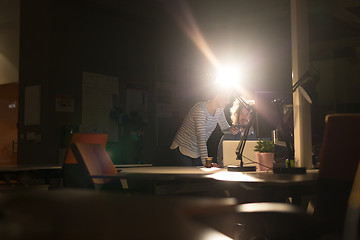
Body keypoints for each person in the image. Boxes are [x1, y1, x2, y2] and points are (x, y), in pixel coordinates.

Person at [170, 88, 239, 167]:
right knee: (189, 178)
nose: (228, 102)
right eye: (226, 98)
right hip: (182, 148)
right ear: (217, 95)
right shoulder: (200, 110)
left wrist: (231, 130)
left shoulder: (219, 110)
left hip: (197, 151)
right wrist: (206, 162)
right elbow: (201, 139)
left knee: (197, 177)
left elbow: (224, 128)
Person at [217, 98, 257, 168]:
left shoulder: (261, 136)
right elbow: (220, 160)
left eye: (247, 114)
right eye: (241, 113)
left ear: (254, 117)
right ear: (237, 115)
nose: (244, 117)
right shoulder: (228, 136)